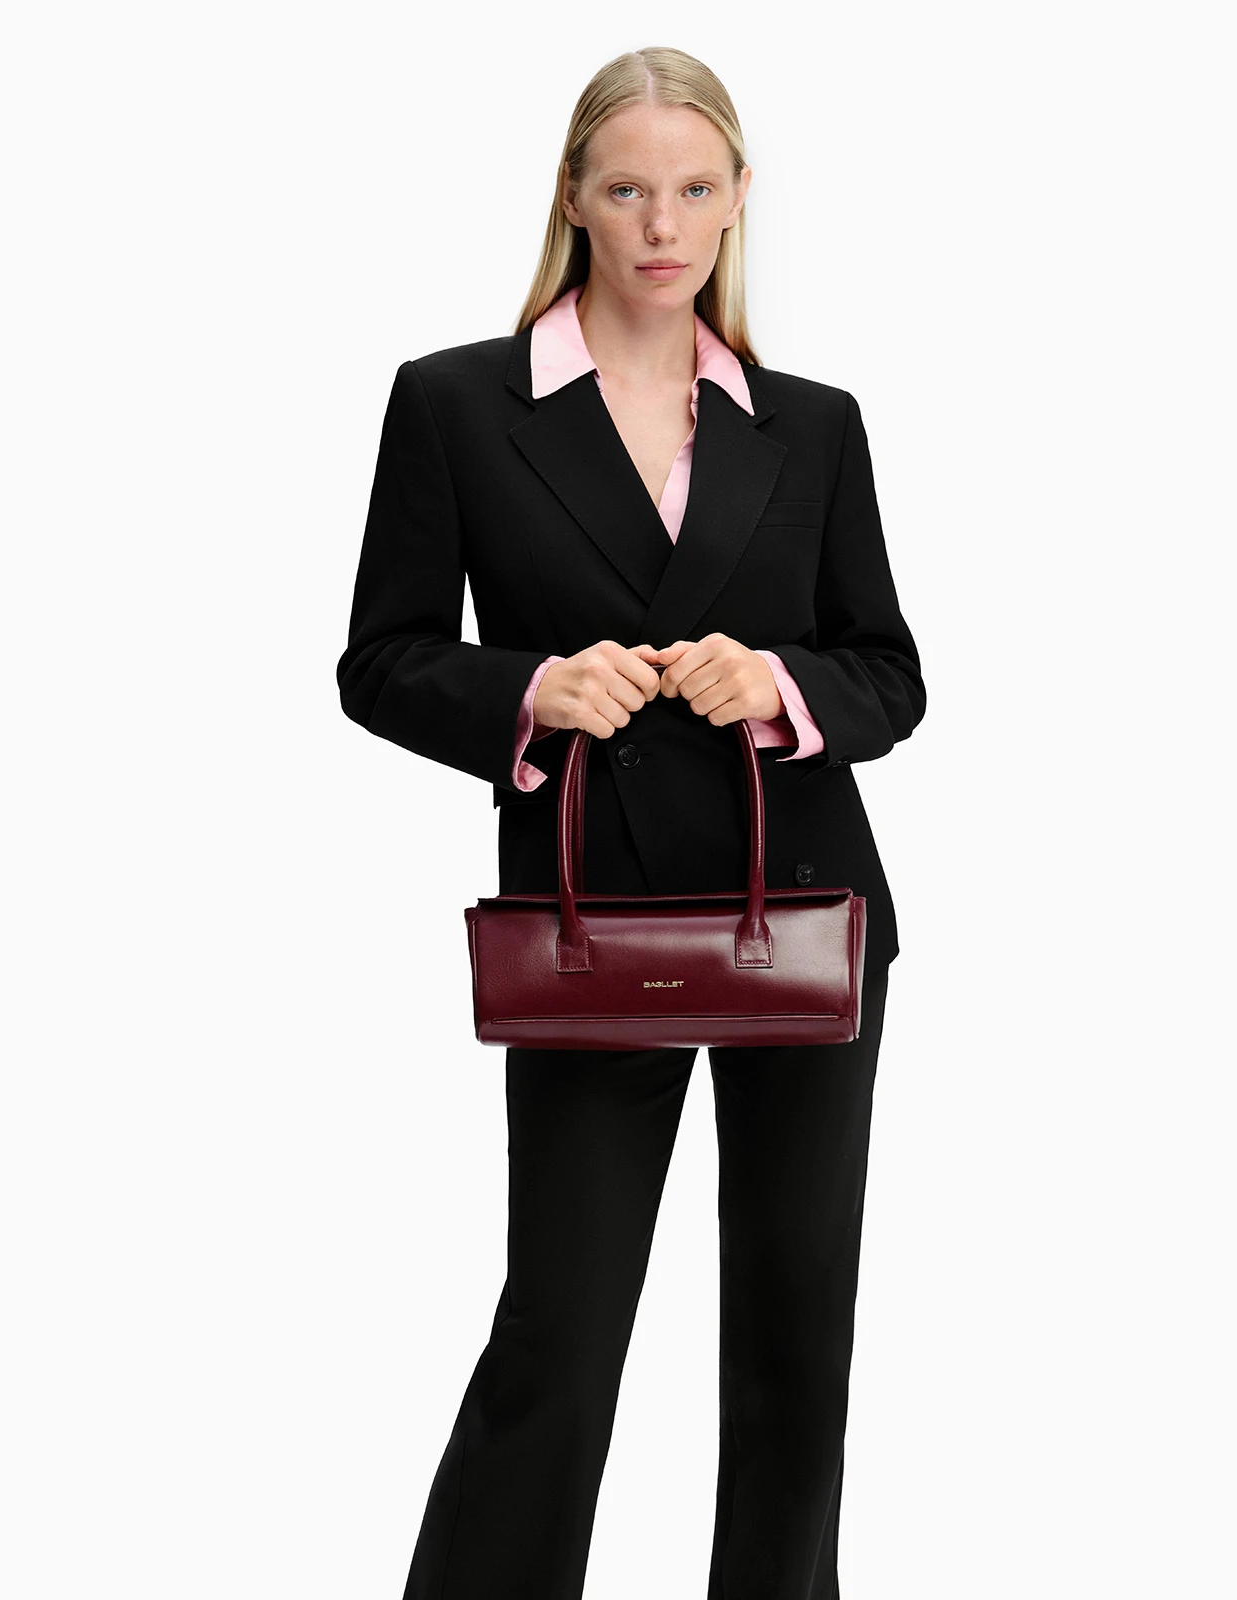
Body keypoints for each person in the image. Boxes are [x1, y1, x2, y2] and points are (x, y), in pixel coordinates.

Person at [336, 44, 926, 1600]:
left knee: (797, 1333)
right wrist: (532, 691)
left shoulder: (811, 423)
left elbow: (891, 675)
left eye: (695, 189)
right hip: (589, 922)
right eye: (628, 189)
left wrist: (778, 683)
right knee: (563, 1323)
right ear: (574, 200)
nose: (664, 224)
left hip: (802, 911)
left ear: (737, 202)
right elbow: (380, 662)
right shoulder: (457, 403)